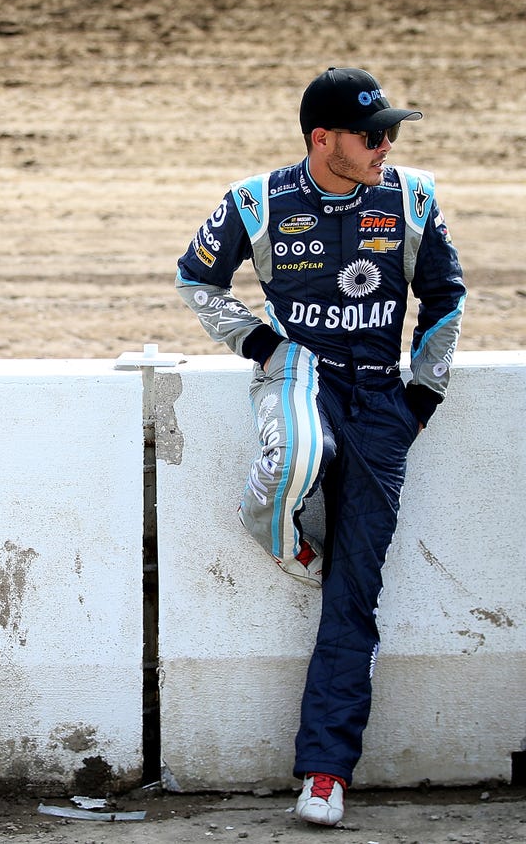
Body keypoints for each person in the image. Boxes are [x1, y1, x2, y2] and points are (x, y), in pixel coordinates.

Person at [174, 67, 466, 827]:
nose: (386, 145)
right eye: (372, 134)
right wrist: (260, 341)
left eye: (391, 131)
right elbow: (196, 279)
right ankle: (270, 525)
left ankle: (326, 771)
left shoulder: (411, 196)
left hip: (378, 399)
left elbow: (446, 294)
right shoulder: (256, 200)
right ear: (322, 139)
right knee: (292, 461)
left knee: (354, 593)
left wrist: (423, 395)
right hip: (299, 376)